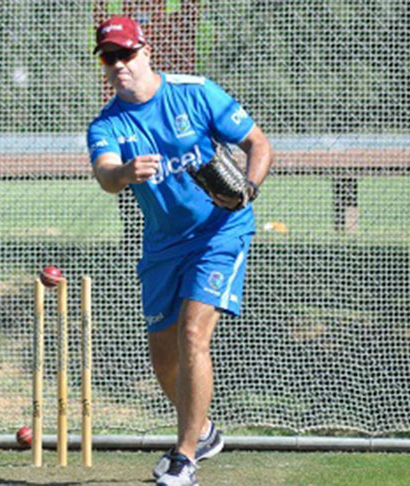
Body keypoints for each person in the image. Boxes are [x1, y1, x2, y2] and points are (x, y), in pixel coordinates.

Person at [87, 16, 273, 486]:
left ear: (145, 50)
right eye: (109, 58)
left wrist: (247, 189)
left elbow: (258, 143)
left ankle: (184, 457)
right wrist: (126, 172)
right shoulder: (106, 124)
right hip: (163, 245)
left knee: (194, 333)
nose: (119, 65)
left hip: (220, 231)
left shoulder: (195, 91)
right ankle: (205, 432)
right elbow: (106, 175)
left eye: (125, 54)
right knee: (163, 359)